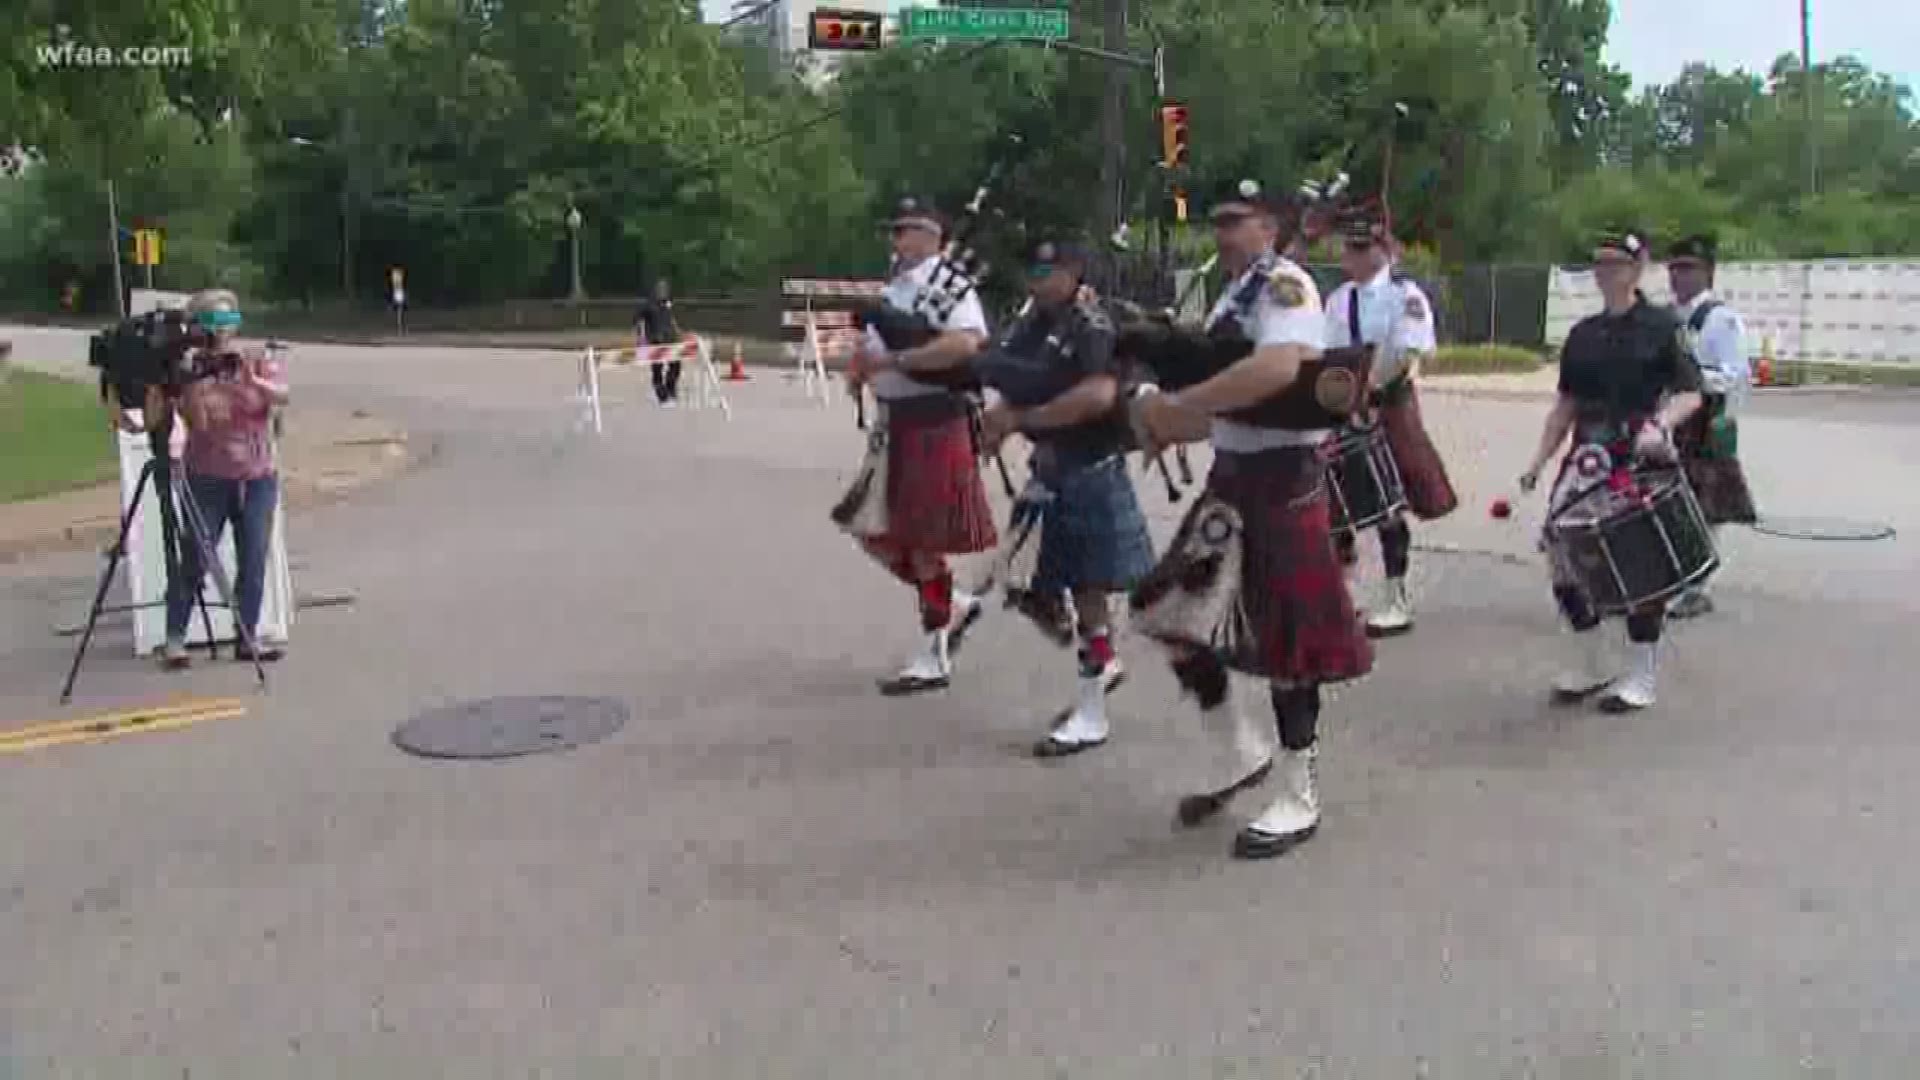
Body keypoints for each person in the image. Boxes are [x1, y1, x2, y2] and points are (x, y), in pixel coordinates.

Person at [1130, 179, 1373, 860]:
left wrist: (1180, 409)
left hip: (1284, 484)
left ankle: (1299, 791)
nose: (1223, 232)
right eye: (1218, 221)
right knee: (1169, 612)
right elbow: (1231, 394)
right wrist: (1169, 421)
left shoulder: (1287, 285)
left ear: (1270, 226)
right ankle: (1238, 748)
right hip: (1230, 481)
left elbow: (1278, 368)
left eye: (1236, 220)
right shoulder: (1234, 296)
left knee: (1289, 649)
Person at [974, 238, 1157, 757]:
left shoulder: (1092, 324)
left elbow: (1097, 395)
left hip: (1088, 471)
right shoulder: (1035, 321)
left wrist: (1021, 420)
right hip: (1050, 470)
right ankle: (1099, 666)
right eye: (1032, 267)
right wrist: (1000, 415)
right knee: (1025, 585)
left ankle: (1092, 707)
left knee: (1089, 592)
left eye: (1047, 269)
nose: (1037, 278)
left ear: (1074, 271)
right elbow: (1009, 369)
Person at [1517, 229, 1703, 711]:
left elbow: (1691, 392)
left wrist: (1660, 426)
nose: (1605, 273)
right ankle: (1590, 660)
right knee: (1563, 559)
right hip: (1586, 458)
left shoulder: (1663, 327)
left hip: (1638, 457)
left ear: (1638, 268)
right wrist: (1537, 464)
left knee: (1641, 567)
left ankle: (1641, 674)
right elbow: (1566, 405)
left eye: (1615, 264)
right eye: (1599, 264)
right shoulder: (1583, 334)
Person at [842, 196, 996, 695]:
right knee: (872, 530)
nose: (895, 238)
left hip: (934, 421)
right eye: (894, 229)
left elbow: (966, 344)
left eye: (904, 229)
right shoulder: (899, 287)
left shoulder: (949, 285)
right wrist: (861, 363)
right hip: (896, 426)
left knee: (923, 541)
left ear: (931, 235)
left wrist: (892, 365)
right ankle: (953, 604)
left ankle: (934, 651)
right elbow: (878, 342)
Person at [1322, 205, 1457, 637]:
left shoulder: (1406, 296)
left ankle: (1395, 598)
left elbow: (1405, 352)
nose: (1353, 257)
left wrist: (1370, 392)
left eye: (1362, 248)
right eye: (1350, 248)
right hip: (1342, 404)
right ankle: (1341, 597)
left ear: (1384, 252)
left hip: (1389, 403)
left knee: (1389, 503)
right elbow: (1325, 352)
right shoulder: (1339, 299)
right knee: (1337, 504)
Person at [163, 288, 289, 668]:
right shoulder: (192, 370)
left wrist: (254, 382)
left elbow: (282, 396)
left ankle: (246, 636)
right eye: (215, 322)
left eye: (229, 321)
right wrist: (196, 384)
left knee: (253, 558)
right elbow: (197, 424)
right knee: (197, 556)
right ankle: (175, 638)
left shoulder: (253, 360)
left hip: (256, 476)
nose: (224, 331)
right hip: (209, 476)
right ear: (200, 327)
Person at [1664, 234, 1757, 619]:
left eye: (1688, 268)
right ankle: (1673, 577)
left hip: (1705, 418)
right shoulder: (1666, 316)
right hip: (1670, 415)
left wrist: (1697, 381)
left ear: (1708, 272)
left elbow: (1738, 375)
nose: (1678, 276)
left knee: (1705, 505)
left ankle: (1696, 586)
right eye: (1674, 268)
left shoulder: (1721, 320)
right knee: (1668, 500)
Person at [634, 278, 681, 407]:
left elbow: (671, 319)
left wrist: (678, 332)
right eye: (660, 288)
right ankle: (662, 395)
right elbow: (639, 322)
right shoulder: (647, 305)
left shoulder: (667, 303)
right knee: (657, 369)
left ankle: (671, 389)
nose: (663, 291)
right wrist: (641, 338)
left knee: (675, 366)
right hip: (656, 339)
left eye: (665, 288)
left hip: (671, 339)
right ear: (654, 290)